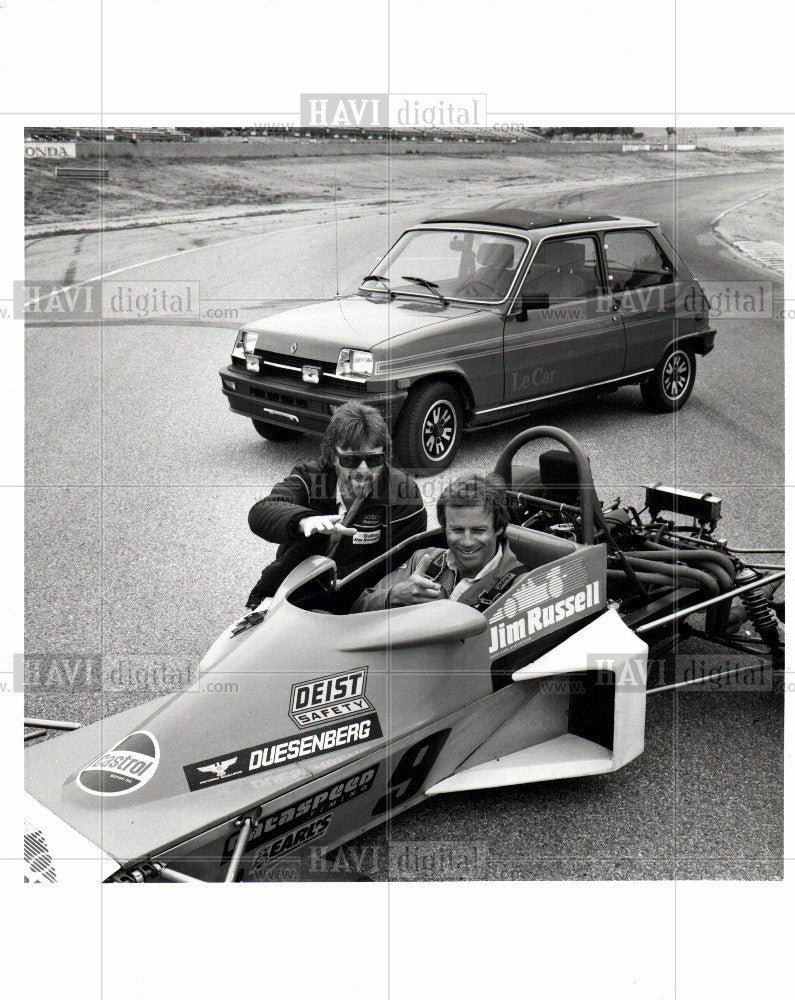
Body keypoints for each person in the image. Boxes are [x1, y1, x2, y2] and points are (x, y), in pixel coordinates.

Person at [246, 402, 427, 609]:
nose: (363, 470)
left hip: (359, 602)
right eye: (351, 460)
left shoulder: (404, 493)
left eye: (374, 459)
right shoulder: (310, 477)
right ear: (333, 456)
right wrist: (303, 520)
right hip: (293, 591)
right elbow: (262, 511)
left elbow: (403, 564)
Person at [353, 473, 523, 612]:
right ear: (444, 528)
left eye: (478, 531)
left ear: (499, 528)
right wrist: (395, 595)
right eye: (457, 530)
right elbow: (358, 608)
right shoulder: (424, 560)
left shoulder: (520, 585)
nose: (467, 542)